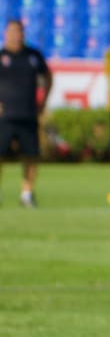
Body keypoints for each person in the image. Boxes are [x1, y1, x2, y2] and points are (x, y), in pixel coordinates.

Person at [0, 19, 52, 209]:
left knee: (30, 156)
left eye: (19, 31)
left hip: (28, 114)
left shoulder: (33, 56)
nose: (16, 35)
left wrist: (43, 101)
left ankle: (27, 194)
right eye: (12, 31)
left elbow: (47, 77)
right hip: (4, 117)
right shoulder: (1, 56)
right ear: (6, 33)